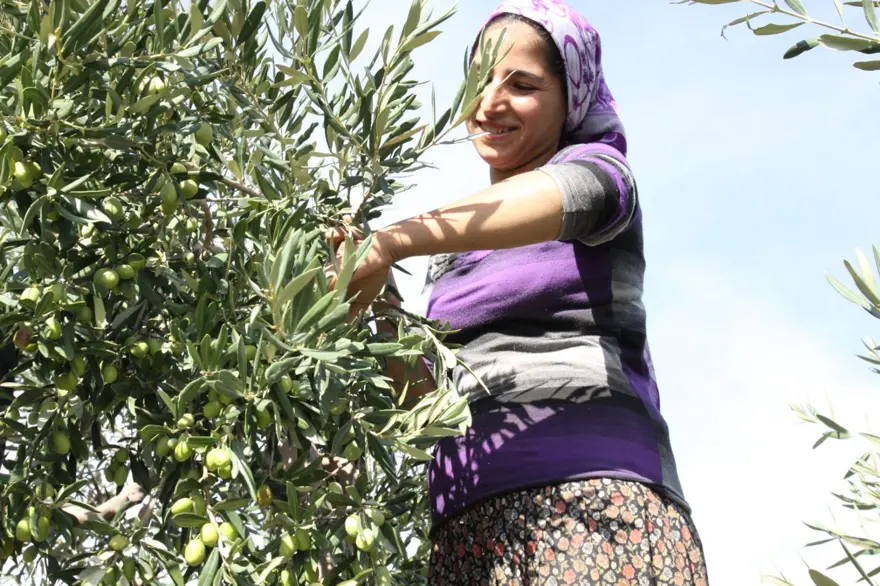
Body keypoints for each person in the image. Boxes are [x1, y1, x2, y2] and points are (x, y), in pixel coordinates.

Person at [330, 1, 709, 584]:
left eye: (522, 83)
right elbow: (429, 412)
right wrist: (379, 303)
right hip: (468, 533)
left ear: (570, 98)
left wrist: (387, 243)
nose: (491, 102)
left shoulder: (603, 176)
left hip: (596, 511)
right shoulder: (452, 256)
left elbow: (568, 195)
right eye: (480, 82)